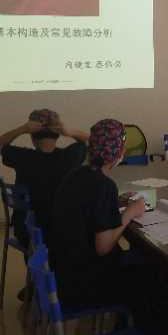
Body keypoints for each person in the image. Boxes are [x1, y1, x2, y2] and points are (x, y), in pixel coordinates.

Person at [50, 119, 148, 313]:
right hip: (84, 284)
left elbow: (88, 208)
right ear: (120, 152)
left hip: (63, 271)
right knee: (152, 275)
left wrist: (114, 203)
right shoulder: (104, 185)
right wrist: (130, 212)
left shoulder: (75, 174)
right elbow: (103, 247)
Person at [0, 108, 89, 249]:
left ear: (32, 137)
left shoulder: (22, 157)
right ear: (58, 135)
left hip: (28, 231)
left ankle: (34, 261)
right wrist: (70, 132)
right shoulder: (71, 156)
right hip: (64, 231)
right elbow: (92, 142)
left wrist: (22, 129)